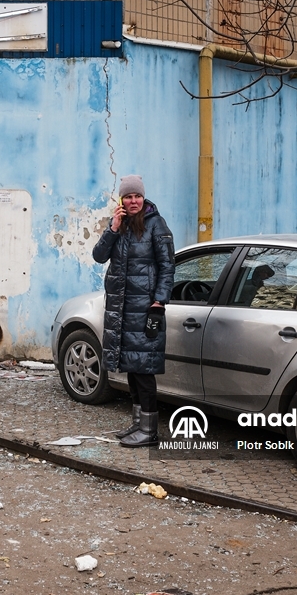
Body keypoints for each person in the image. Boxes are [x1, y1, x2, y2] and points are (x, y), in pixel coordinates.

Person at [92, 175, 175, 448]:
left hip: (145, 308)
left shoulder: (156, 225)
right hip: (121, 310)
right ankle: (138, 423)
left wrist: (159, 302)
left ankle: (150, 430)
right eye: (128, 197)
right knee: (131, 366)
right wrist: (113, 228)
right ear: (121, 200)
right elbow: (99, 256)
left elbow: (167, 266)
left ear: (143, 197)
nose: (133, 201)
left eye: (137, 196)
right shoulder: (120, 225)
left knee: (144, 370)